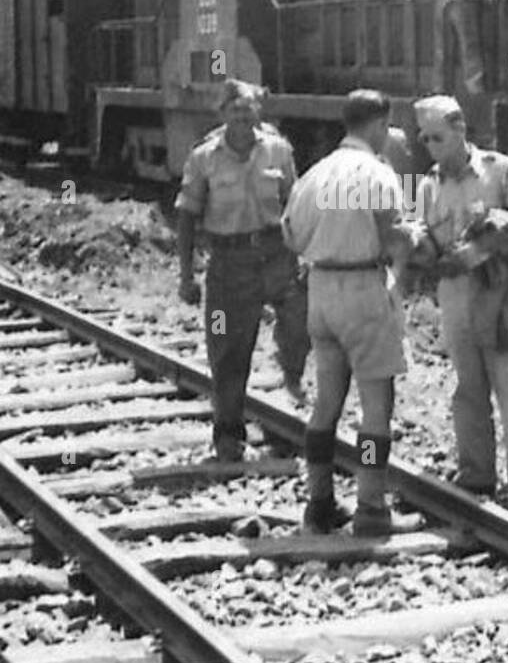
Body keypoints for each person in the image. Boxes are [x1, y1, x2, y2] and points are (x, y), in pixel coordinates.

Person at [282, 90, 424, 536]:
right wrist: (415, 238)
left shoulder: (314, 174)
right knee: (376, 406)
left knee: (326, 404)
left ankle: (319, 501)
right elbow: (391, 237)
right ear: (379, 124)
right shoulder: (375, 174)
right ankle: (371, 506)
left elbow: (289, 235)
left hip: (321, 288)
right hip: (363, 288)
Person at [413, 96, 508, 518]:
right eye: (425, 140)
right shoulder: (428, 184)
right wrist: (419, 248)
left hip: (503, 292)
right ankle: (476, 471)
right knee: (468, 384)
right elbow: (426, 234)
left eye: (438, 137)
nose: (432, 146)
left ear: (460, 129)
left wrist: (480, 248)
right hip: (455, 294)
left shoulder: (499, 170)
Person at [175, 79, 310, 461]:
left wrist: (301, 253)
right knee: (226, 348)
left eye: (248, 109)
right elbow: (186, 215)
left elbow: (294, 203)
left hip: (275, 257)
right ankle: (228, 431)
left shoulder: (279, 151)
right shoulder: (204, 158)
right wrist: (186, 275)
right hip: (226, 269)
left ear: (258, 113)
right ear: (221, 114)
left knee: (301, 322)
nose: (242, 116)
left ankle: (293, 376)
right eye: (234, 109)